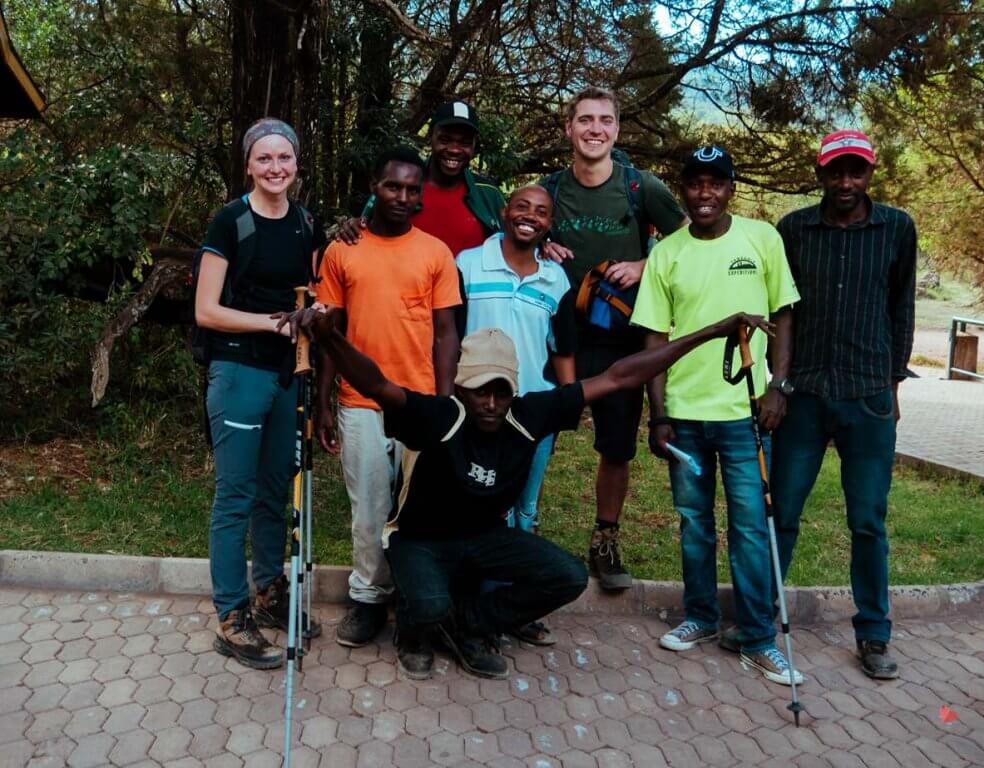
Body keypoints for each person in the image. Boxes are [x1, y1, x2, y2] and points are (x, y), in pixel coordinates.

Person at [279, 306, 773, 681]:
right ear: (461, 389)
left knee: (567, 576)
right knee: (427, 605)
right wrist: (328, 337)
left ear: (514, 389)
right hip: (420, 541)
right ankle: (418, 624)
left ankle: (470, 623)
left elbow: (623, 375)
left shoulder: (529, 414)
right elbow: (376, 382)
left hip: (483, 541)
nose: (491, 403)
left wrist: (711, 332)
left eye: (501, 391)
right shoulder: (439, 417)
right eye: (479, 391)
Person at [633, 145, 804, 685]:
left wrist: (778, 386)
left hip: (745, 415)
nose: (704, 193)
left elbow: (783, 313)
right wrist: (658, 414)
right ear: (682, 189)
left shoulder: (762, 238)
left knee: (751, 527)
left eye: (716, 183)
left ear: (731, 189)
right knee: (694, 523)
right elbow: (654, 338)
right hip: (684, 414)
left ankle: (758, 638)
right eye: (694, 183)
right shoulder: (667, 252)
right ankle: (701, 617)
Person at [770, 130, 916, 680]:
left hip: (868, 396)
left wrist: (893, 385)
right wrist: (777, 385)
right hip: (803, 394)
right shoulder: (794, 229)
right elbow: (779, 308)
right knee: (782, 515)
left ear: (870, 175)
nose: (846, 183)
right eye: (837, 172)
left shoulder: (897, 228)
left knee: (868, 522)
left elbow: (902, 308)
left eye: (856, 172)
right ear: (821, 173)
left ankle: (874, 633)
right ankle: (763, 621)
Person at [315, 146, 461, 648]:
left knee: (421, 508)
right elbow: (331, 334)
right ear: (373, 187)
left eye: (411, 189)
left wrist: (446, 407)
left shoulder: (435, 253)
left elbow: (446, 334)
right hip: (359, 402)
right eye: (392, 186)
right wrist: (323, 402)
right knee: (370, 508)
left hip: (419, 403)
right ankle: (367, 599)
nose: (402, 197)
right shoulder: (342, 251)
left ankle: (417, 598)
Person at [541, 86, 686, 591]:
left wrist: (645, 265)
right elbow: (519, 228)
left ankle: (605, 538)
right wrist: (542, 241)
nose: (594, 129)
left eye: (604, 120)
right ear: (569, 129)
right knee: (532, 432)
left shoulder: (640, 188)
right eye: (584, 120)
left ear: (617, 129)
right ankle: (519, 528)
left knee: (617, 446)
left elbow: (688, 241)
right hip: (557, 334)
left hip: (619, 337)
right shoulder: (551, 189)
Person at [194, 118, 326, 669]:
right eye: (264, 159)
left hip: (288, 374)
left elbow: (318, 294)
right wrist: (272, 324)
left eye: (285, 158)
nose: (276, 168)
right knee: (236, 495)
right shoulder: (231, 221)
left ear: (297, 165)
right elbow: (206, 309)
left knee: (277, 489)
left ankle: (269, 593)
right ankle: (231, 615)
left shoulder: (305, 223)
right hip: (238, 368)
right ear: (249, 165)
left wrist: (314, 314)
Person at [455, 184, 577, 645]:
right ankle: (477, 609)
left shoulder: (556, 280)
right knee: (481, 511)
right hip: (476, 411)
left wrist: (566, 405)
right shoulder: (467, 264)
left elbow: (562, 350)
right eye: (522, 207)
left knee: (524, 511)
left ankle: (514, 609)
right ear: (504, 213)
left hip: (530, 413)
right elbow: (448, 336)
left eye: (542, 212)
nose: (530, 217)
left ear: (550, 224)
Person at [335, 100, 505, 256]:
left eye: (465, 143)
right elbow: (364, 229)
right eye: (445, 139)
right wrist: (352, 227)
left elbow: (511, 246)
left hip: (465, 289)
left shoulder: (487, 193)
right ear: (431, 136)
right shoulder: (400, 186)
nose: (454, 149)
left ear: (474, 145)